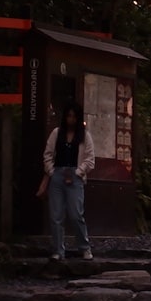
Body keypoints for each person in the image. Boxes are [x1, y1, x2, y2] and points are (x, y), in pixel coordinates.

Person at [42, 104, 96, 261]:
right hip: (58, 174)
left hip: (75, 175)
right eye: (68, 116)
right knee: (56, 215)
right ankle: (58, 250)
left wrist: (79, 172)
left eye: (74, 116)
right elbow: (48, 153)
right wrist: (52, 171)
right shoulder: (57, 133)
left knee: (75, 214)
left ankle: (84, 247)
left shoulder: (84, 136)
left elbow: (90, 159)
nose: (71, 119)